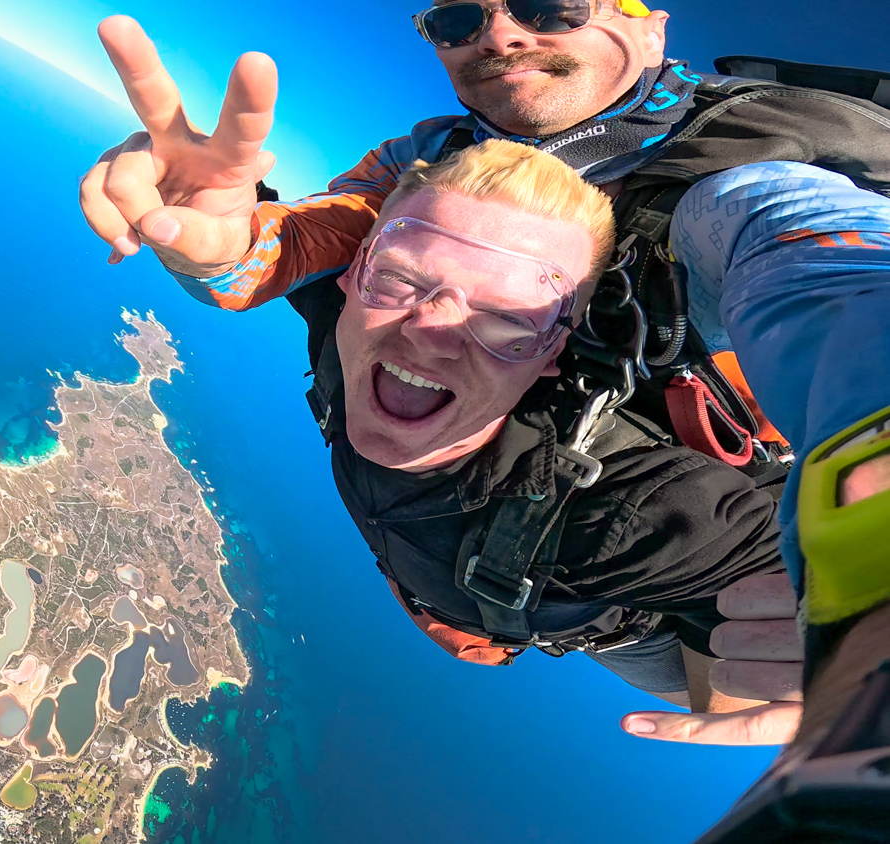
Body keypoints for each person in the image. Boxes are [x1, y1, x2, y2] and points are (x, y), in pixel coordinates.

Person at [78, 7, 890, 751]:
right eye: (460, 17)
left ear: (650, 31)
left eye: (553, 6)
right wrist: (210, 239)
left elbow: (825, 271)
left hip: (652, 590)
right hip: (505, 575)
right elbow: (294, 250)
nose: (500, 35)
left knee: (746, 690)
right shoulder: (424, 164)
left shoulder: (758, 175)